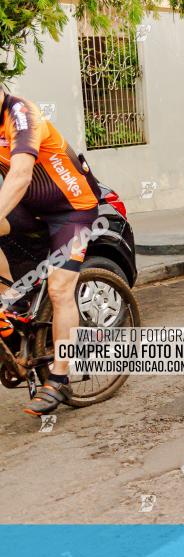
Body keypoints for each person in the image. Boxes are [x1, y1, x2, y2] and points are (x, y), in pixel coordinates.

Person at [0, 90, 102, 416]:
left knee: (59, 290)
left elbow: (19, 175)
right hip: (30, 207)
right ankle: (9, 307)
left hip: (71, 209)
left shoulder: (21, 115)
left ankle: (60, 377)